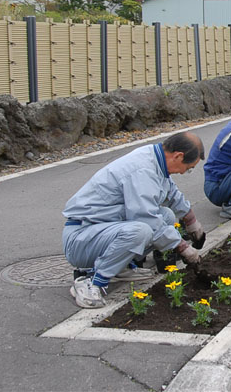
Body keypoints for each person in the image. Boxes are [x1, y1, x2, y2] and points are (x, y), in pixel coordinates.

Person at [62, 132, 206, 309]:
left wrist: (191, 221)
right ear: (178, 156)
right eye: (189, 167)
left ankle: (119, 266)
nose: (185, 172)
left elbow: (172, 193)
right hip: (81, 237)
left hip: (101, 230)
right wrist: (184, 248)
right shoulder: (143, 170)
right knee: (141, 230)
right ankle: (91, 281)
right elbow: (147, 219)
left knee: (166, 216)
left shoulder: (155, 159)